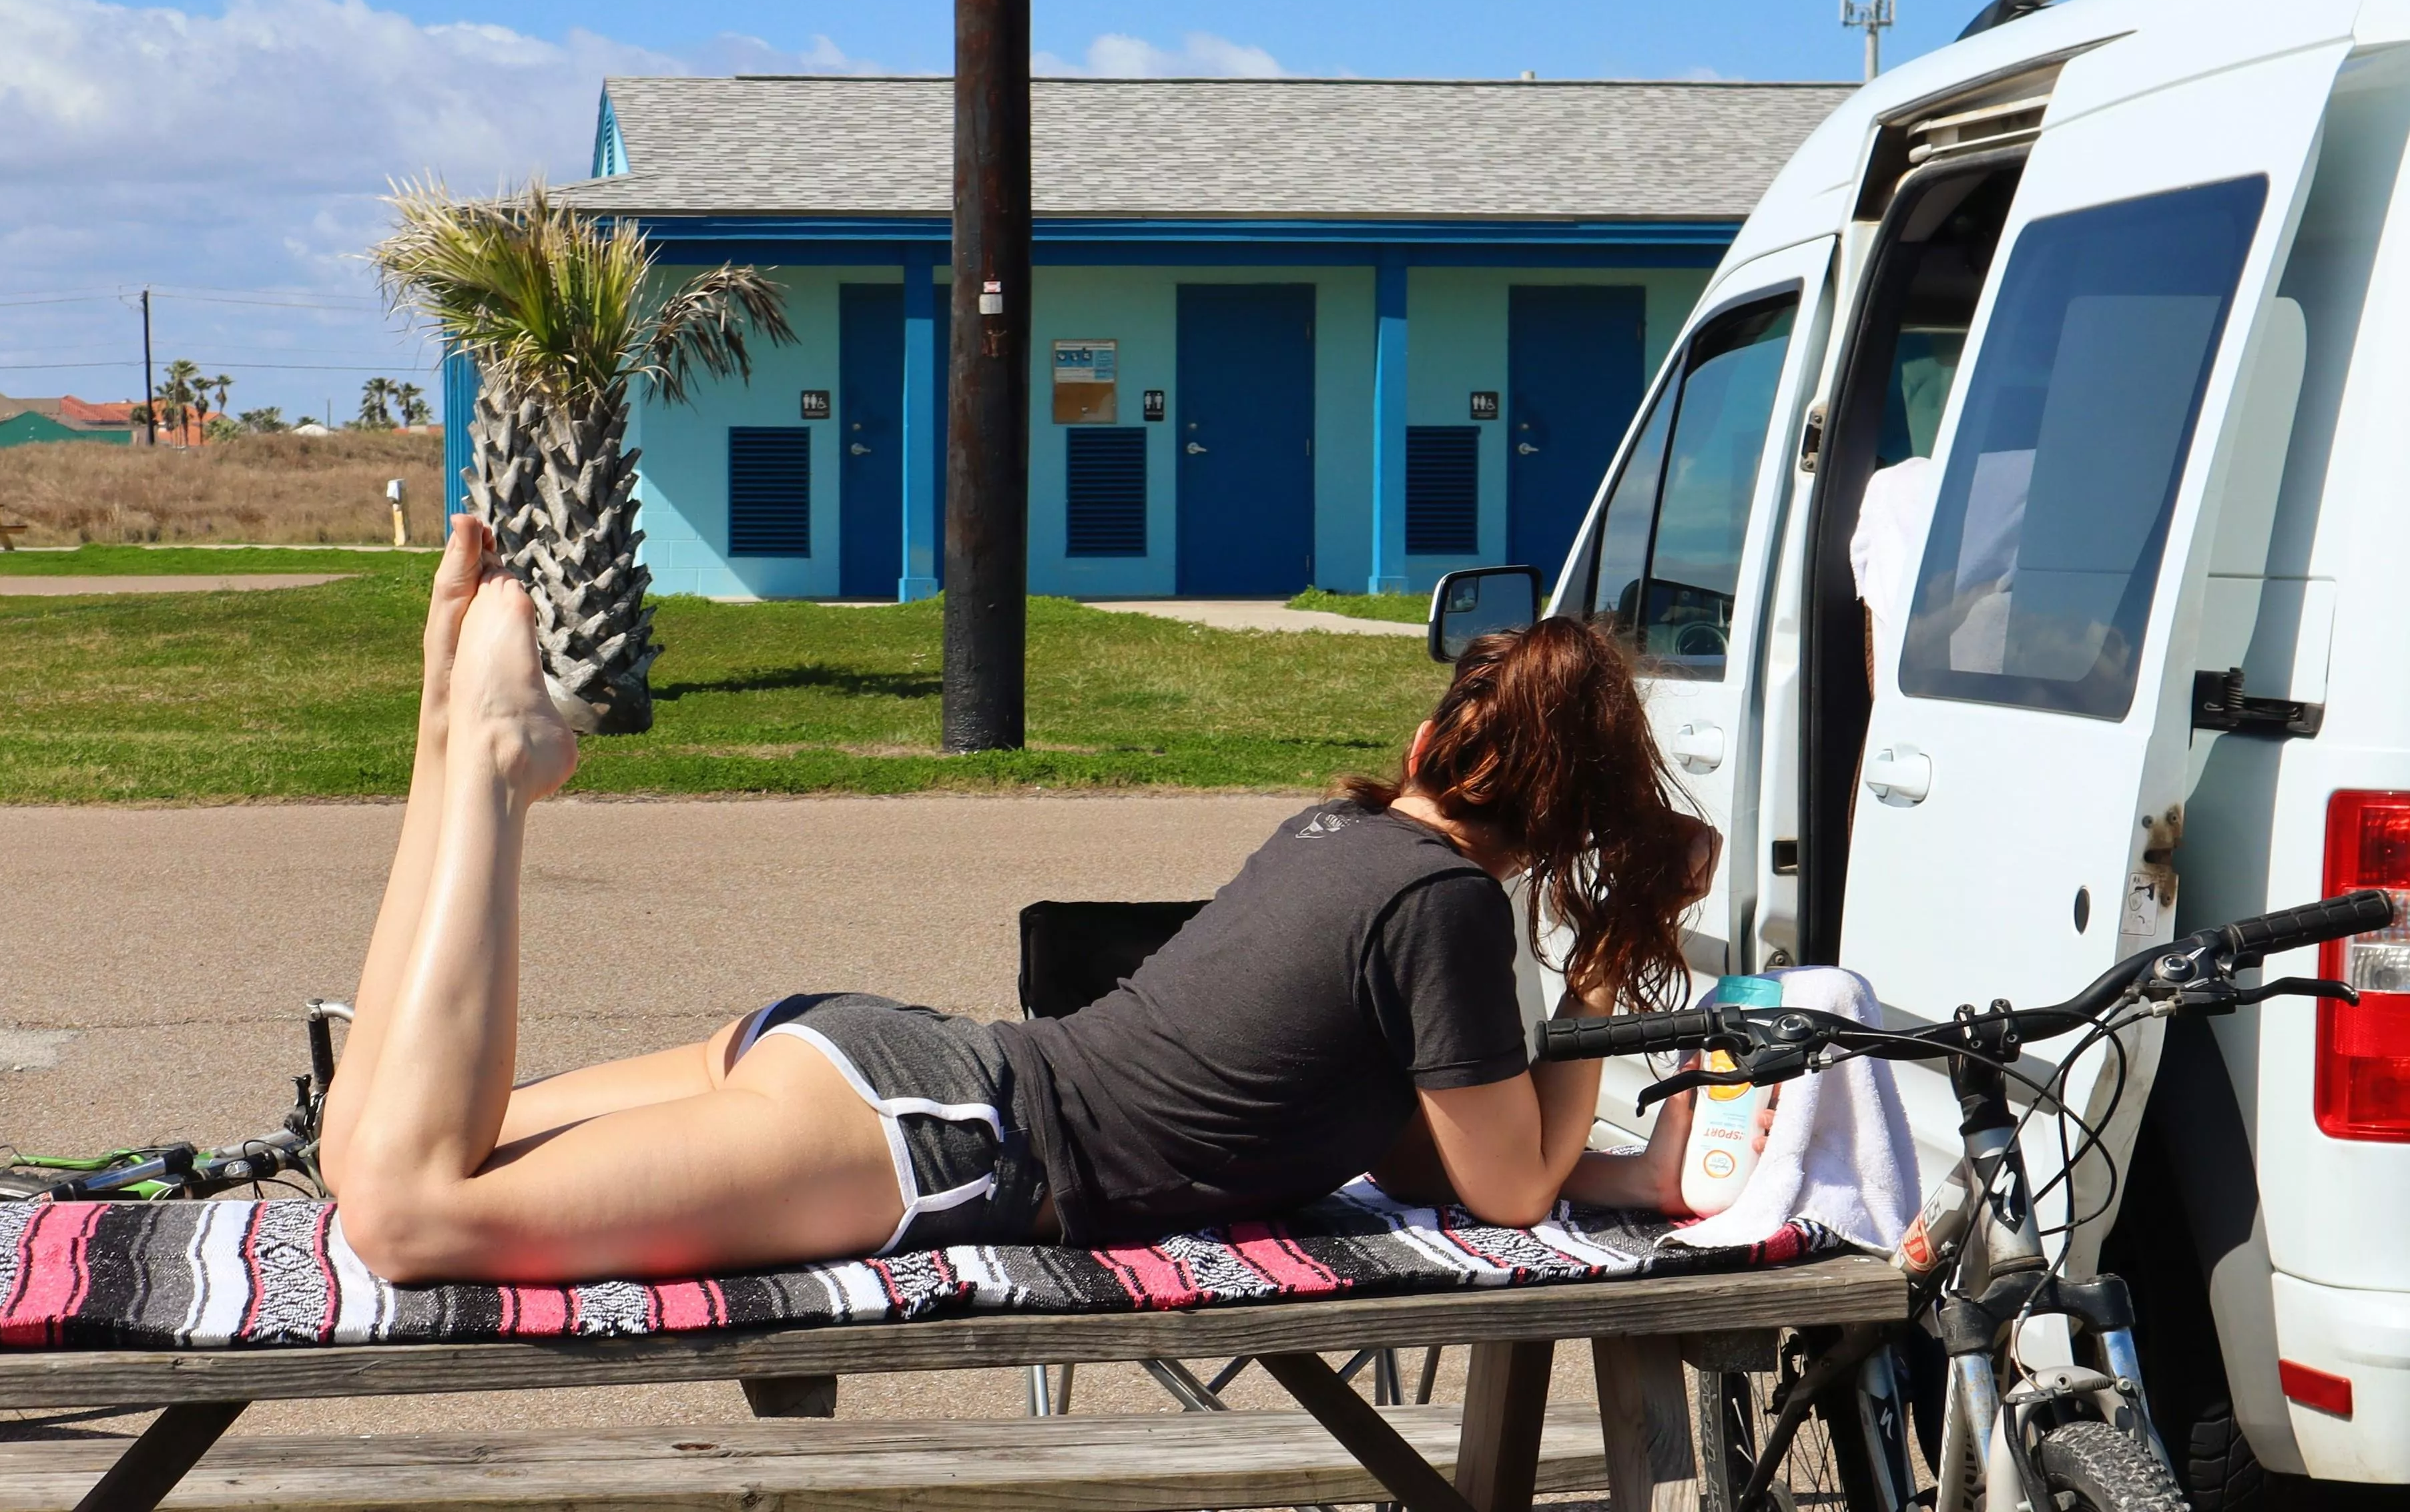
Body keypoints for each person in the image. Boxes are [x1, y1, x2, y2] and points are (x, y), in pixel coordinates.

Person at [322, 516, 1722, 1285]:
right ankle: (492, 771)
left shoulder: (1337, 833)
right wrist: (1608, 947)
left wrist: (1632, 1180)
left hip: (872, 1062)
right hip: (940, 1136)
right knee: (414, 1212)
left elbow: (1425, 1162)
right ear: (1556, 829)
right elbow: (1507, 1183)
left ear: (1427, 746)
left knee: (372, 1156)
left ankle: (443, 746)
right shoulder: (1444, 906)